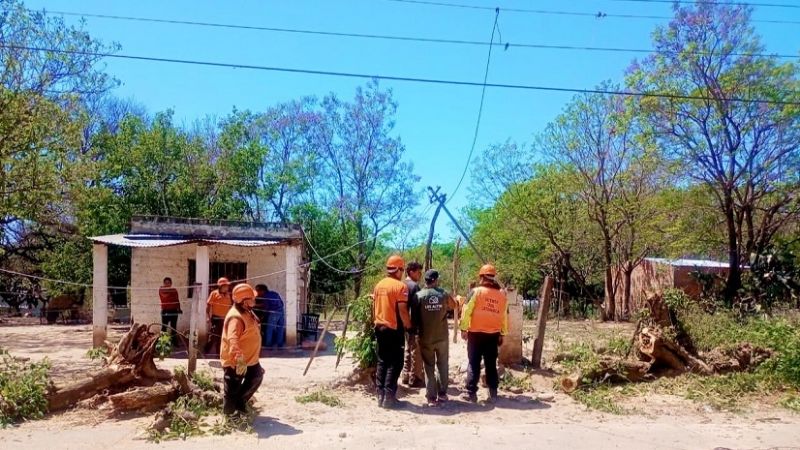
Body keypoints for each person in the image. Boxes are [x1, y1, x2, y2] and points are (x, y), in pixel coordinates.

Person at [459, 264, 508, 404]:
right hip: (493, 334)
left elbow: (466, 310)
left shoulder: (476, 292)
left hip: (475, 334)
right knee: (491, 364)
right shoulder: (501, 296)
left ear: (481, 277)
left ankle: (471, 394)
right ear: (493, 278)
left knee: (474, 363)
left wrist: (463, 329)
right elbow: (504, 316)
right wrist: (502, 334)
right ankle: (493, 394)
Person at [372, 255, 412, 409]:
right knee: (395, 363)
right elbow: (402, 310)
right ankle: (389, 397)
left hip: (379, 327)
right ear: (398, 269)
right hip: (394, 329)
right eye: (402, 269)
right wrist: (409, 326)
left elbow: (373, 307)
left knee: (382, 361)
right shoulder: (400, 287)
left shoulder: (378, 285)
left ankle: (380, 396)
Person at [414, 269, 458, 407]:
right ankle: (443, 394)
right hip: (442, 337)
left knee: (429, 366)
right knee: (443, 364)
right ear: (435, 280)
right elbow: (454, 306)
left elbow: (414, 318)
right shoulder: (443, 294)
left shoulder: (419, 296)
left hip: (425, 337)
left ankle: (431, 396)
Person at [220, 283, 264, 416]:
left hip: (250, 359)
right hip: (236, 360)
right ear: (244, 301)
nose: (254, 300)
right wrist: (239, 359)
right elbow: (232, 340)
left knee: (256, 376)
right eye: (252, 298)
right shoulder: (235, 318)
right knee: (232, 388)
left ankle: (240, 404)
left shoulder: (247, 311)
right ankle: (228, 415)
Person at [402, 261, 425, 388]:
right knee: (416, 351)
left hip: (404, 324)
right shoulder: (414, 287)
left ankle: (405, 375)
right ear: (411, 272)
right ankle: (415, 378)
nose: (420, 275)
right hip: (413, 324)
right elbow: (416, 308)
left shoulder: (402, 284)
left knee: (407, 349)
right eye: (418, 272)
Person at [205, 277, 232, 355]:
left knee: (222, 336)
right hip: (216, 318)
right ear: (221, 286)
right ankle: (206, 351)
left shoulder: (228, 294)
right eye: (225, 285)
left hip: (225, 319)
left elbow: (230, 306)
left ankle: (218, 353)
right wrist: (208, 316)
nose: (227, 287)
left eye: (227, 285)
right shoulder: (214, 293)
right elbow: (209, 305)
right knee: (213, 336)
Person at [158, 277, 182, 345]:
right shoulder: (161, 290)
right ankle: (163, 343)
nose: (167, 284)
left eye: (168, 283)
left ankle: (174, 342)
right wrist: (169, 290)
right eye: (165, 283)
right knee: (164, 327)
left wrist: (179, 308)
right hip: (165, 310)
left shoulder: (174, 290)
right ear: (163, 283)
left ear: (171, 284)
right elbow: (165, 295)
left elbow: (177, 300)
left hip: (173, 310)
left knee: (174, 327)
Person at [262, 284, 285, 349]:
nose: (258, 293)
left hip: (273, 312)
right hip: (281, 311)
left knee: (269, 329)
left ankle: (268, 345)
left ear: (262, 290)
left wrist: (264, 316)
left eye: (258, 291)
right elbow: (282, 303)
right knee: (280, 328)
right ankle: (280, 345)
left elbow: (266, 307)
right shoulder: (274, 293)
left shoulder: (265, 296)